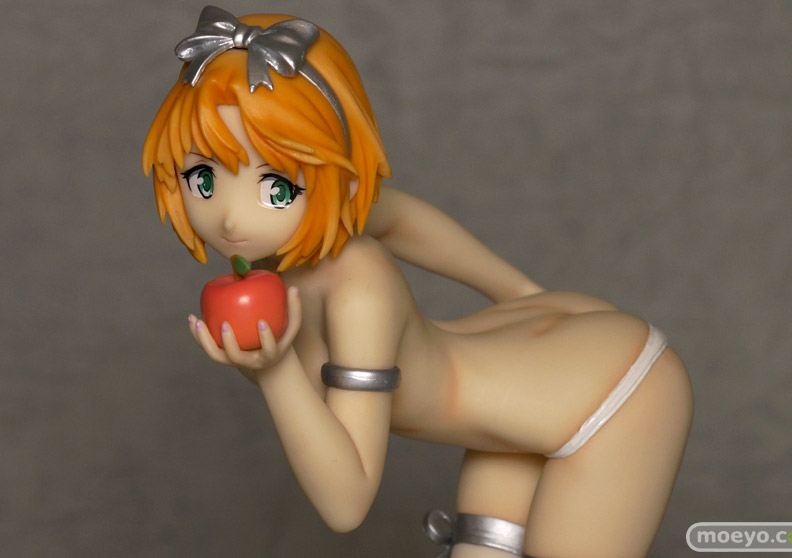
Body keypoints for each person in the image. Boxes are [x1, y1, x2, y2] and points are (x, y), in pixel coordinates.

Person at [143, 7, 693, 557]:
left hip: (612, 396)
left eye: (276, 188)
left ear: (338, 176)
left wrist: (275, 372)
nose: (230, 218)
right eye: (203, 178)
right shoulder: (292, 245)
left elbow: (346, 503)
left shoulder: (358, 289)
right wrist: (521, 293)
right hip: (519, 396)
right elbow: (400, 218)